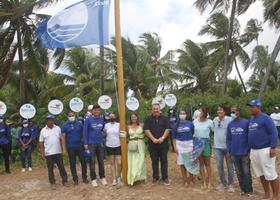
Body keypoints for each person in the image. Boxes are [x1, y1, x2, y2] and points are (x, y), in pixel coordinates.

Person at [247, 99, 279, 200]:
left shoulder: (266, 118)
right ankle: (266, 194)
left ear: (259, 107)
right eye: (250, 107)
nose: (250, 109)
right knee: (261, 174)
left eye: (252, 107)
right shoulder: (252, 119)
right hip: (254, 150)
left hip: (265, 149)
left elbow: (273, 132)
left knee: (270, 174)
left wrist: (273, 147)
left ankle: (275, 196)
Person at [227, 106, 253, 196]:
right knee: (238, 172)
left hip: (244, 152)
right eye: (231, 112)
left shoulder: (246, 122)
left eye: (234, 112)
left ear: (238, 112)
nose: (232, 114)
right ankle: (242, 189)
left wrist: (249, 150)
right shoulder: (230, 124)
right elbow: (229, 139)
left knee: (246, 172)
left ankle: (249, 190)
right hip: (234, 153)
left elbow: (250, 137)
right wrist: (229, 150)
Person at [39, 114, 69, 190]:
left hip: (58, 152)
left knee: (61, 167)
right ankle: (52, 183)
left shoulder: (58, 128)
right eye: (48, 120)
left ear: (53, 121)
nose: (50, 121)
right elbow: (41, 143)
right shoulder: (43, 130)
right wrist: (42, 153)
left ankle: (65, 181)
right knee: (50, 169)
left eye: (51, 120)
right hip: (48, 153)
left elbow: (62, 139)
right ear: (46, 121)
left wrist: (64, 149)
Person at [144, 103, 171, 185]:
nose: (155, 110)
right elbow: (146, 130)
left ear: (159, 109)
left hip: (163, 144)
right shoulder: (148, 119)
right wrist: (153, 139)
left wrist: (162, 138)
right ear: (152, 110)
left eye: (157, 108)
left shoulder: (165, 118)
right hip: (153, 144)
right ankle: (155, 177)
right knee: (154, 161)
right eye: (154, 109)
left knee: (164, 161)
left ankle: (165, 177)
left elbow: (167, 129)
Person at [83, 104, 107, 187]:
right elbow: (85, 132)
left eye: (98, 110)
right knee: (92, 162)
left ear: (99, 111)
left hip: (100, 143)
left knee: (101, 161)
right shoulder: (88, 120)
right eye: (95, 110)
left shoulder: (102, 119)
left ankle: (102, 177)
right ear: (92, 111)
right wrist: (85, 143)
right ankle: (93, 179)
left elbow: (103, 129)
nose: (96, 111)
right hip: (91, 144)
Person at [61, 111, 88, 185]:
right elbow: (62, 137)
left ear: (75, 116)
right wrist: (64, 148)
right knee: (72, 164)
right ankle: (75, 179)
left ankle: (84, 177)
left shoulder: (79, 123)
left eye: (72, 115)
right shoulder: (65, 125)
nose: (71, 117)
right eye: (70, 116)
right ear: (67, 116)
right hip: (70, 147)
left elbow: (84, 134)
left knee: (83, 162)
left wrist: (85, 143)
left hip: (80, 146)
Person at [213, 105, 234, 192]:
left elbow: (233, 134)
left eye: (221, 110)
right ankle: (223, 183)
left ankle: (231, 184)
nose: (219, 111)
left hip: (228, 148)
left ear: (225, 111)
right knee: (219, 166)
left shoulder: (230, 120)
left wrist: (232, 147)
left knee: (230, 166)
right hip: (218, 147)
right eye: (218, 110)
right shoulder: (215, 119)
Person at [192, 106, 214, 190]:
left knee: (207, 163)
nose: (199, 113)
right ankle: (203, 182)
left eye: (201, 112)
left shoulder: (210, 122)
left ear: (205, 113)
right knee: (201, 164)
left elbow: (214, 131)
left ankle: (210, 182)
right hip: (197, 143)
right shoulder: (194, 121)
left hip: (206, 143)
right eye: (199, 111)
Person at [172, 109, 194, 187]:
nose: (182, 114)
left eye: (184, 113)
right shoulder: (175, 125)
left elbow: (192, 132)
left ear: (186, 114)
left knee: (190, 162)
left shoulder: (190, 124)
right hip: (179, 144)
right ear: (178, 115)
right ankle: (184, 180)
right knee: (182, 163)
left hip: (189, 144)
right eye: (181, 113)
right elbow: (173, 137)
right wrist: (175, 147)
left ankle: (191, 179)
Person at [127, 113, 146, 186]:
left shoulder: (141, 125)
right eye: (132, 117)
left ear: (137, 117)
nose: (134, 118)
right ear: (130, 118)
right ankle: (133, 178)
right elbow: (124, 135)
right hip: (132, 144)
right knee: (132, 161)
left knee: (141, 160)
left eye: (135, 117)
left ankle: (141, 176)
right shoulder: (128, 126)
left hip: (141, 143)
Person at [104, 113, 122, 186]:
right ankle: (114, 179)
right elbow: (104, 133)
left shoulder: (119, 124)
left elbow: (122, 133)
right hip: (109, 145)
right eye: (110, 116)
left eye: (113, 116)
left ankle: (118, 177)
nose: (112, 117)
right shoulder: (106, 125)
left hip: (118, 145)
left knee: (119, 163)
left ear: (115, 117)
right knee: (112, 163)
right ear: (109, 118)